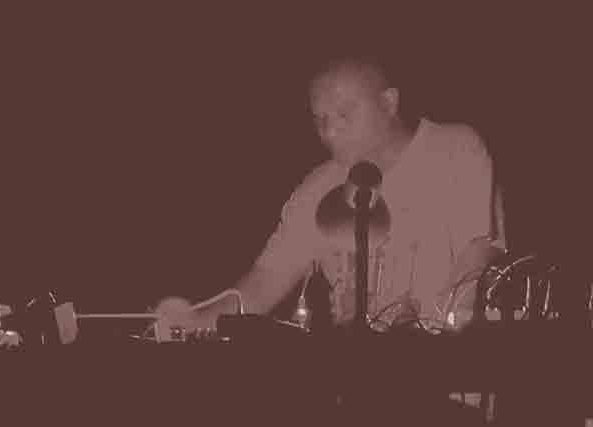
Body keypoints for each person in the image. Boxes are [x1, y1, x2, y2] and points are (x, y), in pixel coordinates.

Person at [153, 53, 506, 339]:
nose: (329, 132)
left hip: (446, 383)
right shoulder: (318, 187)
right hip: (356, 387)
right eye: (319, 119)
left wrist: (430, 344)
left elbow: (476, 261)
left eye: (343, 114)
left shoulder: (455, 149)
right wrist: (192, 321)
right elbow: (263, 283)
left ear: (389, 103)